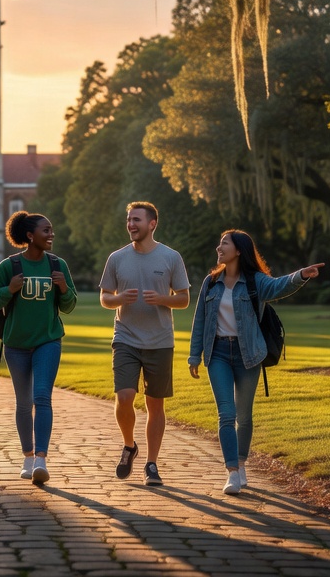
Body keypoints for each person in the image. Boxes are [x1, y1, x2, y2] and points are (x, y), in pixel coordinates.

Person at [189, 229, 323, 495]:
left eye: (224, 243)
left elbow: (278, 286)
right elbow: (200, 320)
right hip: (217, 354)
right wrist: (195, 355)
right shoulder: (210, 282)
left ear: (238, 250)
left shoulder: (255, 281)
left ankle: (240, 463)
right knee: (226, 414)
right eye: (219, 243)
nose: (219, 247)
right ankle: (232, 473)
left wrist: (301, 275)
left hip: (248, 354)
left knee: (244, 417)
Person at [99, 201, 190, 486]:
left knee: (155, 405)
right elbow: (105, 297)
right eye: (128, 220)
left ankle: (151, 463)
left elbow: (184, 299)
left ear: (152, 224)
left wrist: (163, 299)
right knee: (124, 396)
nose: (130, 225)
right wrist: (119, 299)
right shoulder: (116, 258)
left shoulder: (171, 257)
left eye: (136, 220)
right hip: (125, 337)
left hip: (160, 341)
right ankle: (129, 446)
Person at [0, 211, 77, 484]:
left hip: (48, 341)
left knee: (42, 397)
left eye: (51, 230)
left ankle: (41, 460)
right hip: (15, 345)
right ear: (29, 236)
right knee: (23, 403)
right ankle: (27, 457)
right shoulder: (9, 266)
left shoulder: (58, 265)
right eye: (46, 230)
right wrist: (8, 290)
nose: (51, 235)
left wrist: (63, 289)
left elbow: (69, 307)